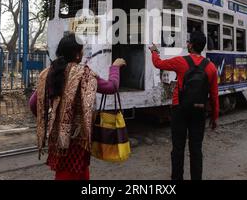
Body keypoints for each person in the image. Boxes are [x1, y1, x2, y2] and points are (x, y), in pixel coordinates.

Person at [29, 33, 126, 180]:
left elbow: (33, 104)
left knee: (67, 172)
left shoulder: (48, 73)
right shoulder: (84, 74)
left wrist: (52, 121)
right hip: (77, 138)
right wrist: (115, 67)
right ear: (76, 54)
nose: (82, 53)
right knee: (74, 172)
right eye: (82, 50)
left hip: (57, 137)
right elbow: (112, 87)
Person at [149, 31, 219, 180]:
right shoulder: (211, 67)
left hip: (179, 109)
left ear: (191, 45)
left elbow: (158, 63)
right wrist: (214, 117)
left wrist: (154, 51)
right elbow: (214, 96)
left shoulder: (181, 61)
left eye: (188, 42)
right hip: (199, 111)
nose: (187, 44)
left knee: (178, 149)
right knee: (196, 150)